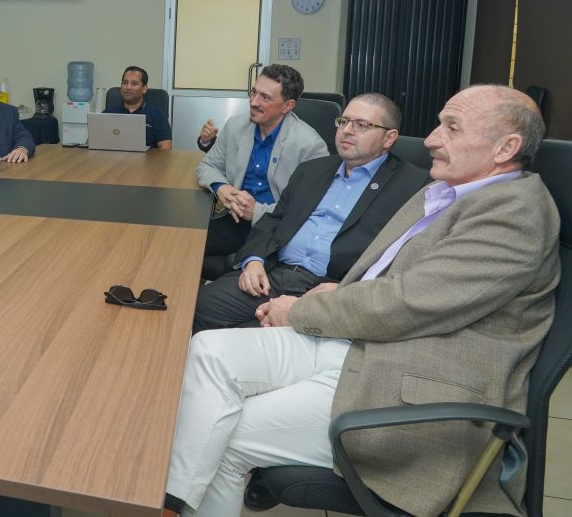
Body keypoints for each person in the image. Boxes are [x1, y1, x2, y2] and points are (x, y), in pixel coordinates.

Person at [163, 85, 558, 517]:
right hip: (361, 345)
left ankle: (170, 503)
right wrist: (338, 293)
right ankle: (169, 500)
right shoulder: (448, 192)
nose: (431, 139)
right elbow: (405, 279)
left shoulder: (513, 214)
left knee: (222, 435)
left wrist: (300, 310)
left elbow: (408, 303)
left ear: (506, 148)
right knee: (208, 350)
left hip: (404, 385)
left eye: (452, 127)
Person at [193, 94, 429, 333]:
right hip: (274, 274)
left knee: (259, 335)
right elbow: (273, 220)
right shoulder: (312, 169)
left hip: (332, 290)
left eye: (361, 125)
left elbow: (407, 258)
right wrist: (254, 261)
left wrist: (346, 290)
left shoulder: (414, 186)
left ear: (389, 138)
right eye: (344, 121)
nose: (347, 130)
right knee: (197, 307)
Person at [196, 64, 328, 259]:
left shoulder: (311, 145)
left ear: (288, 106)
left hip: (278, 227)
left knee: (246, 266)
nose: (253, 102)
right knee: (184, 243)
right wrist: (222, 188)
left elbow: (309, 205)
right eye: (254, 92)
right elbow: (207, 166)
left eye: (265, 97)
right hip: (235, 220)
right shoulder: (235, 126)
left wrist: (256, 212)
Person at [103, 66, 172, 149]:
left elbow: (165, 148)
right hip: (113, 156)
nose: (128, 87)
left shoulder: (158, 116)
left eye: (134, 83)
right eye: (125, 82)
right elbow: (94, 141)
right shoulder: (108, 113)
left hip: (147, 157)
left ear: (144, 89)